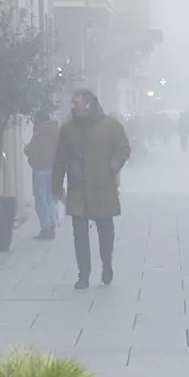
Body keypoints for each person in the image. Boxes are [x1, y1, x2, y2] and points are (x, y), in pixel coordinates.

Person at [51, 89, 131, 289]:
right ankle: (83, 275)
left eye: (76, 103)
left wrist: (112, 166)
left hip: (103, 186)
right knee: (79, 234)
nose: (72, 106)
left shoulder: (111, 126)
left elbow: (123, 149)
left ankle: (107, 265)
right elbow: (60, 158)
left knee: (105, 230)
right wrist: (57, 184)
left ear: (88, 104)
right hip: (78, 187)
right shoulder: (68, 129)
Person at [24, 110, 62, 240]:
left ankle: (46, 228)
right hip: (53, 168)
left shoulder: (39, 132)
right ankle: (53, 225)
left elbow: (30, 149)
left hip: (40, 168)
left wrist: (26, 149)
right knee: (50, 198)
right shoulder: (56, 130)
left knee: (41, 199)